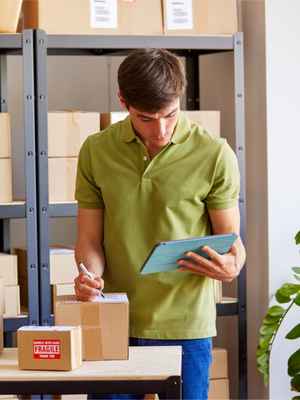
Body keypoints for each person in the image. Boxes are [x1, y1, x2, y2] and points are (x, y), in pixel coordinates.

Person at [74, 48, 246, 400]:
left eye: (169, 115)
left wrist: (232, 266)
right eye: (146, 118)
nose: (161, 130)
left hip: (186, 323)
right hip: (115, 319)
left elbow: (231, 242)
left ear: (179, 98)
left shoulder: (215, 154)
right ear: (123, 101)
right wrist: (89, 277)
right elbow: (90, 239)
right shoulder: (95, 150)